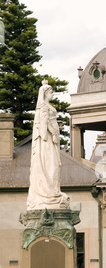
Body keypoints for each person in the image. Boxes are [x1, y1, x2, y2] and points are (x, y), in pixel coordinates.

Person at [27, 81, 70, 211]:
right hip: (47, 144)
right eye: (51, 92)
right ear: (45, 93)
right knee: (51, 166)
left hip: (51, 142)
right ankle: (49, 193)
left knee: (54, 167)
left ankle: (53, 191)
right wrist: (54, 132)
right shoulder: (43, 107)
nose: (53, 94)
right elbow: (43, 126)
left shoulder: (46, 106)